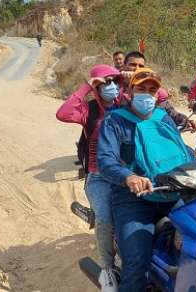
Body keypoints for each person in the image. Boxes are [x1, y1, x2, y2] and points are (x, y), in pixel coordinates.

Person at [98, 68, 195, 292]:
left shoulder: (163, 117)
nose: (147, 94)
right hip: (135, 199)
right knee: (136, 267)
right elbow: (105, 160)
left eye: (152, 90)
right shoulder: (115, 120)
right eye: (141, 89)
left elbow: (181, 150)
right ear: (130, 90)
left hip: (174, 191)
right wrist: (128, 177)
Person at [56, 64, 121, 292]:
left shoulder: (126, 105)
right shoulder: (89, 110)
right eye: (106, 83)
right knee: (104, 218)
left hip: (127, 174)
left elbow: (159, 97)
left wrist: (130, 78)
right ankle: (107, 269)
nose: (112, 87)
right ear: (96, 87)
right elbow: (63, 113)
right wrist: (86, 87)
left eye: (115, 81)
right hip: (99, 176)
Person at [119, 51, 196, 131]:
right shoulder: (115, 84)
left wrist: (182, 119)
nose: (137, 68)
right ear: (124, 66)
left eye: (141, 66)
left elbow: (167, 108)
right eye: (133, 64)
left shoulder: (154, 89)